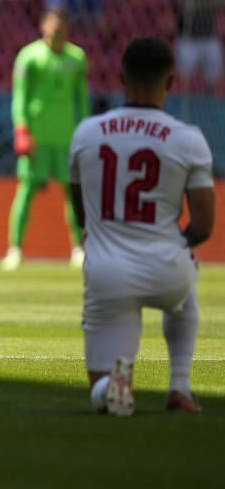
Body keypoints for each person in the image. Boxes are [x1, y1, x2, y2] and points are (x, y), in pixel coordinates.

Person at [68, 36, 215, 416]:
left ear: (120, 77)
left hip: (107, 273)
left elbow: (82, 215)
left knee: (100, 385)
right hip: (168, 271)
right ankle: (180, 387)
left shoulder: (86, 133)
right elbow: (203, 225)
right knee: (188, 275)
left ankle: (113, 385)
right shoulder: (189, 139)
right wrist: (173, 243)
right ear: (171, 82)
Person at [2, 7, 89, 271]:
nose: (57, 29)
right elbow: (20, 96)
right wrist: (21, 130)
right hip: (37, 137)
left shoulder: (77, 58)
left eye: (61, 24)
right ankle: (15, 249)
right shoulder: (29, 57)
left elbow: (82, 98)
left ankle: (78, 250)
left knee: (73, 195)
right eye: (52, 24)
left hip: (66, 137)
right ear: (43, 26)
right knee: (26, 191)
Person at [170, 0, 223, 92]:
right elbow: (181, 3)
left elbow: (220, 0)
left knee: (213, 76)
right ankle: (182, 100)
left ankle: (210, 100)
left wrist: (194, 4)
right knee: (182, 77)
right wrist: (208, 2)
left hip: (209, 36)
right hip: (187, 37)